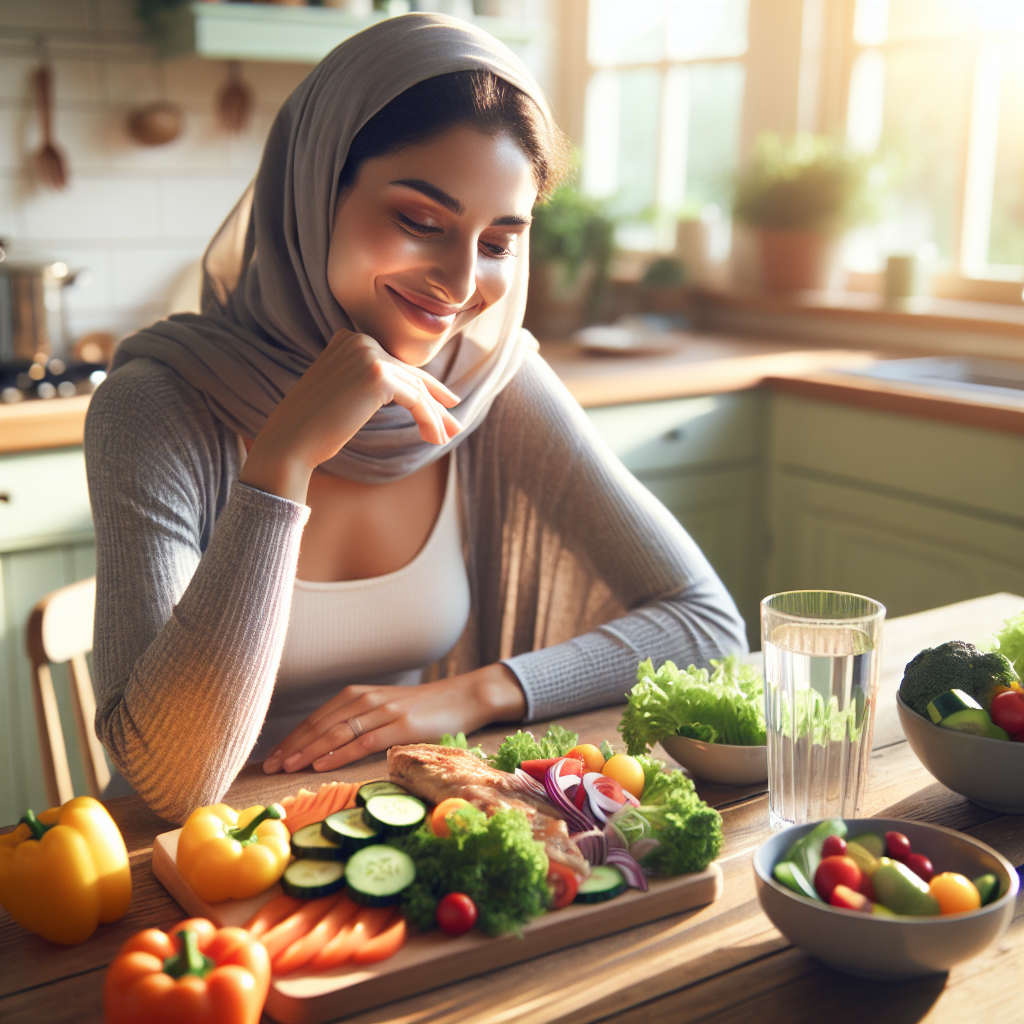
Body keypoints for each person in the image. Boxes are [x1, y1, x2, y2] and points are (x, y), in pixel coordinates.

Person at [85, 14, 747, 825]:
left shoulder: (490, 387)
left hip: (389, 837)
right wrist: (283, 460)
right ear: (314, 191)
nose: (461, 282)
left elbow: (708, 626)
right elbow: (169, 785)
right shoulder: (156, 404)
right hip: (189, 865)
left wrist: (470, 695)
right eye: (421, 222)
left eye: (499, 241)